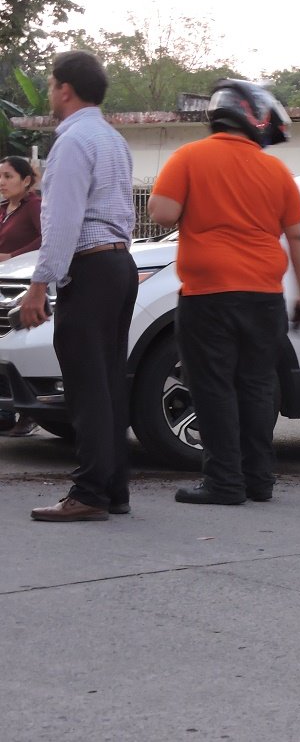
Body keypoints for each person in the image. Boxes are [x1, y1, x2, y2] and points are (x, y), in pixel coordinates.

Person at [147, 79, 300, 506]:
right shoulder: (277, 171)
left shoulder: (189, 157)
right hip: (264, 295)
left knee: (213, 386)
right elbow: (296, 238)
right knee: (256, 386)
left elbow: (163, 214)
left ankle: (223, 482)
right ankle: (259, 479)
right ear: (254, 116)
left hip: (208, 294)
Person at [22, 51, 139, 522]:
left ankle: (89, 492)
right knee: (108, 383)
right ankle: (113, 488)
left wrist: (38, 284)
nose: (50, 94)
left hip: (89, 270)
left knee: (88, 388)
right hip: (118, 266)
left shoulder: (72, 143)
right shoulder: (112, 139)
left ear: (64, 89)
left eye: (51, 86)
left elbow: (62, 220)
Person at [0, 155, 44, 437]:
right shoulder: (4, 209)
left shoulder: (35, 206)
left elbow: (46, 239)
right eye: (0, 176)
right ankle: (5, 413)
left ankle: (31, 413)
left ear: (26, 180)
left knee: (23, 347)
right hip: (3, 286)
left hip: (28, 289)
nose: (2, 182)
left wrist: (13, 255)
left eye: (8, 176)